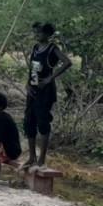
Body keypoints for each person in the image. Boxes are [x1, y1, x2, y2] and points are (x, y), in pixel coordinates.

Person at [24, 22, 71, 170]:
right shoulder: (35, 48)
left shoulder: (52, 49)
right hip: (33, 90)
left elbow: (67, 62)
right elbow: (31, 69)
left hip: (45, 91)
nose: (36, 35)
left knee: (43, 123)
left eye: (40, 32)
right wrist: (27, 85)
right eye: (35, 32)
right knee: (28, 122)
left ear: (48, 35)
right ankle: (32, 156)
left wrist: (51, 78)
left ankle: (42, 160)